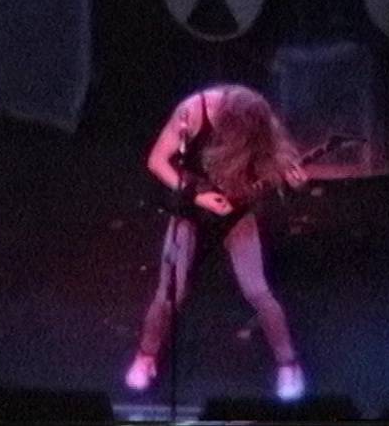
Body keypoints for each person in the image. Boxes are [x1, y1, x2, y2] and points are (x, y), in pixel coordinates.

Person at [125, 83, 308, 401]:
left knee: (257, 291)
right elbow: (157, 160)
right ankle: (146, 356)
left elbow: (281, 155)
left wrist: (294, 177)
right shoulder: (193, 112)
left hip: (236, 209)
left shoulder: (257, 115)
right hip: (192, 208)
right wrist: (197, 196)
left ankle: (288, 364)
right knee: (170, 292)